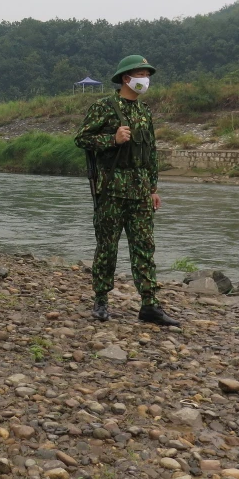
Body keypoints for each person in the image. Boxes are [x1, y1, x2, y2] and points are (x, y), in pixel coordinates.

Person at [74, 55, 179, 327]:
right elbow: (81, 138)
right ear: (126, 78)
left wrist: (153, 188)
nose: (145, 79)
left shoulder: (145, 111)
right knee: (107, 247)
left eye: (147, 74)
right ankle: (100, 301)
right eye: (141, 73)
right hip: (111, 191)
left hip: (140, 191)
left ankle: (149, 304)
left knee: (144, 247)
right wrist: (112, 139)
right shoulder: (104, 107)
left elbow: (150, 152)